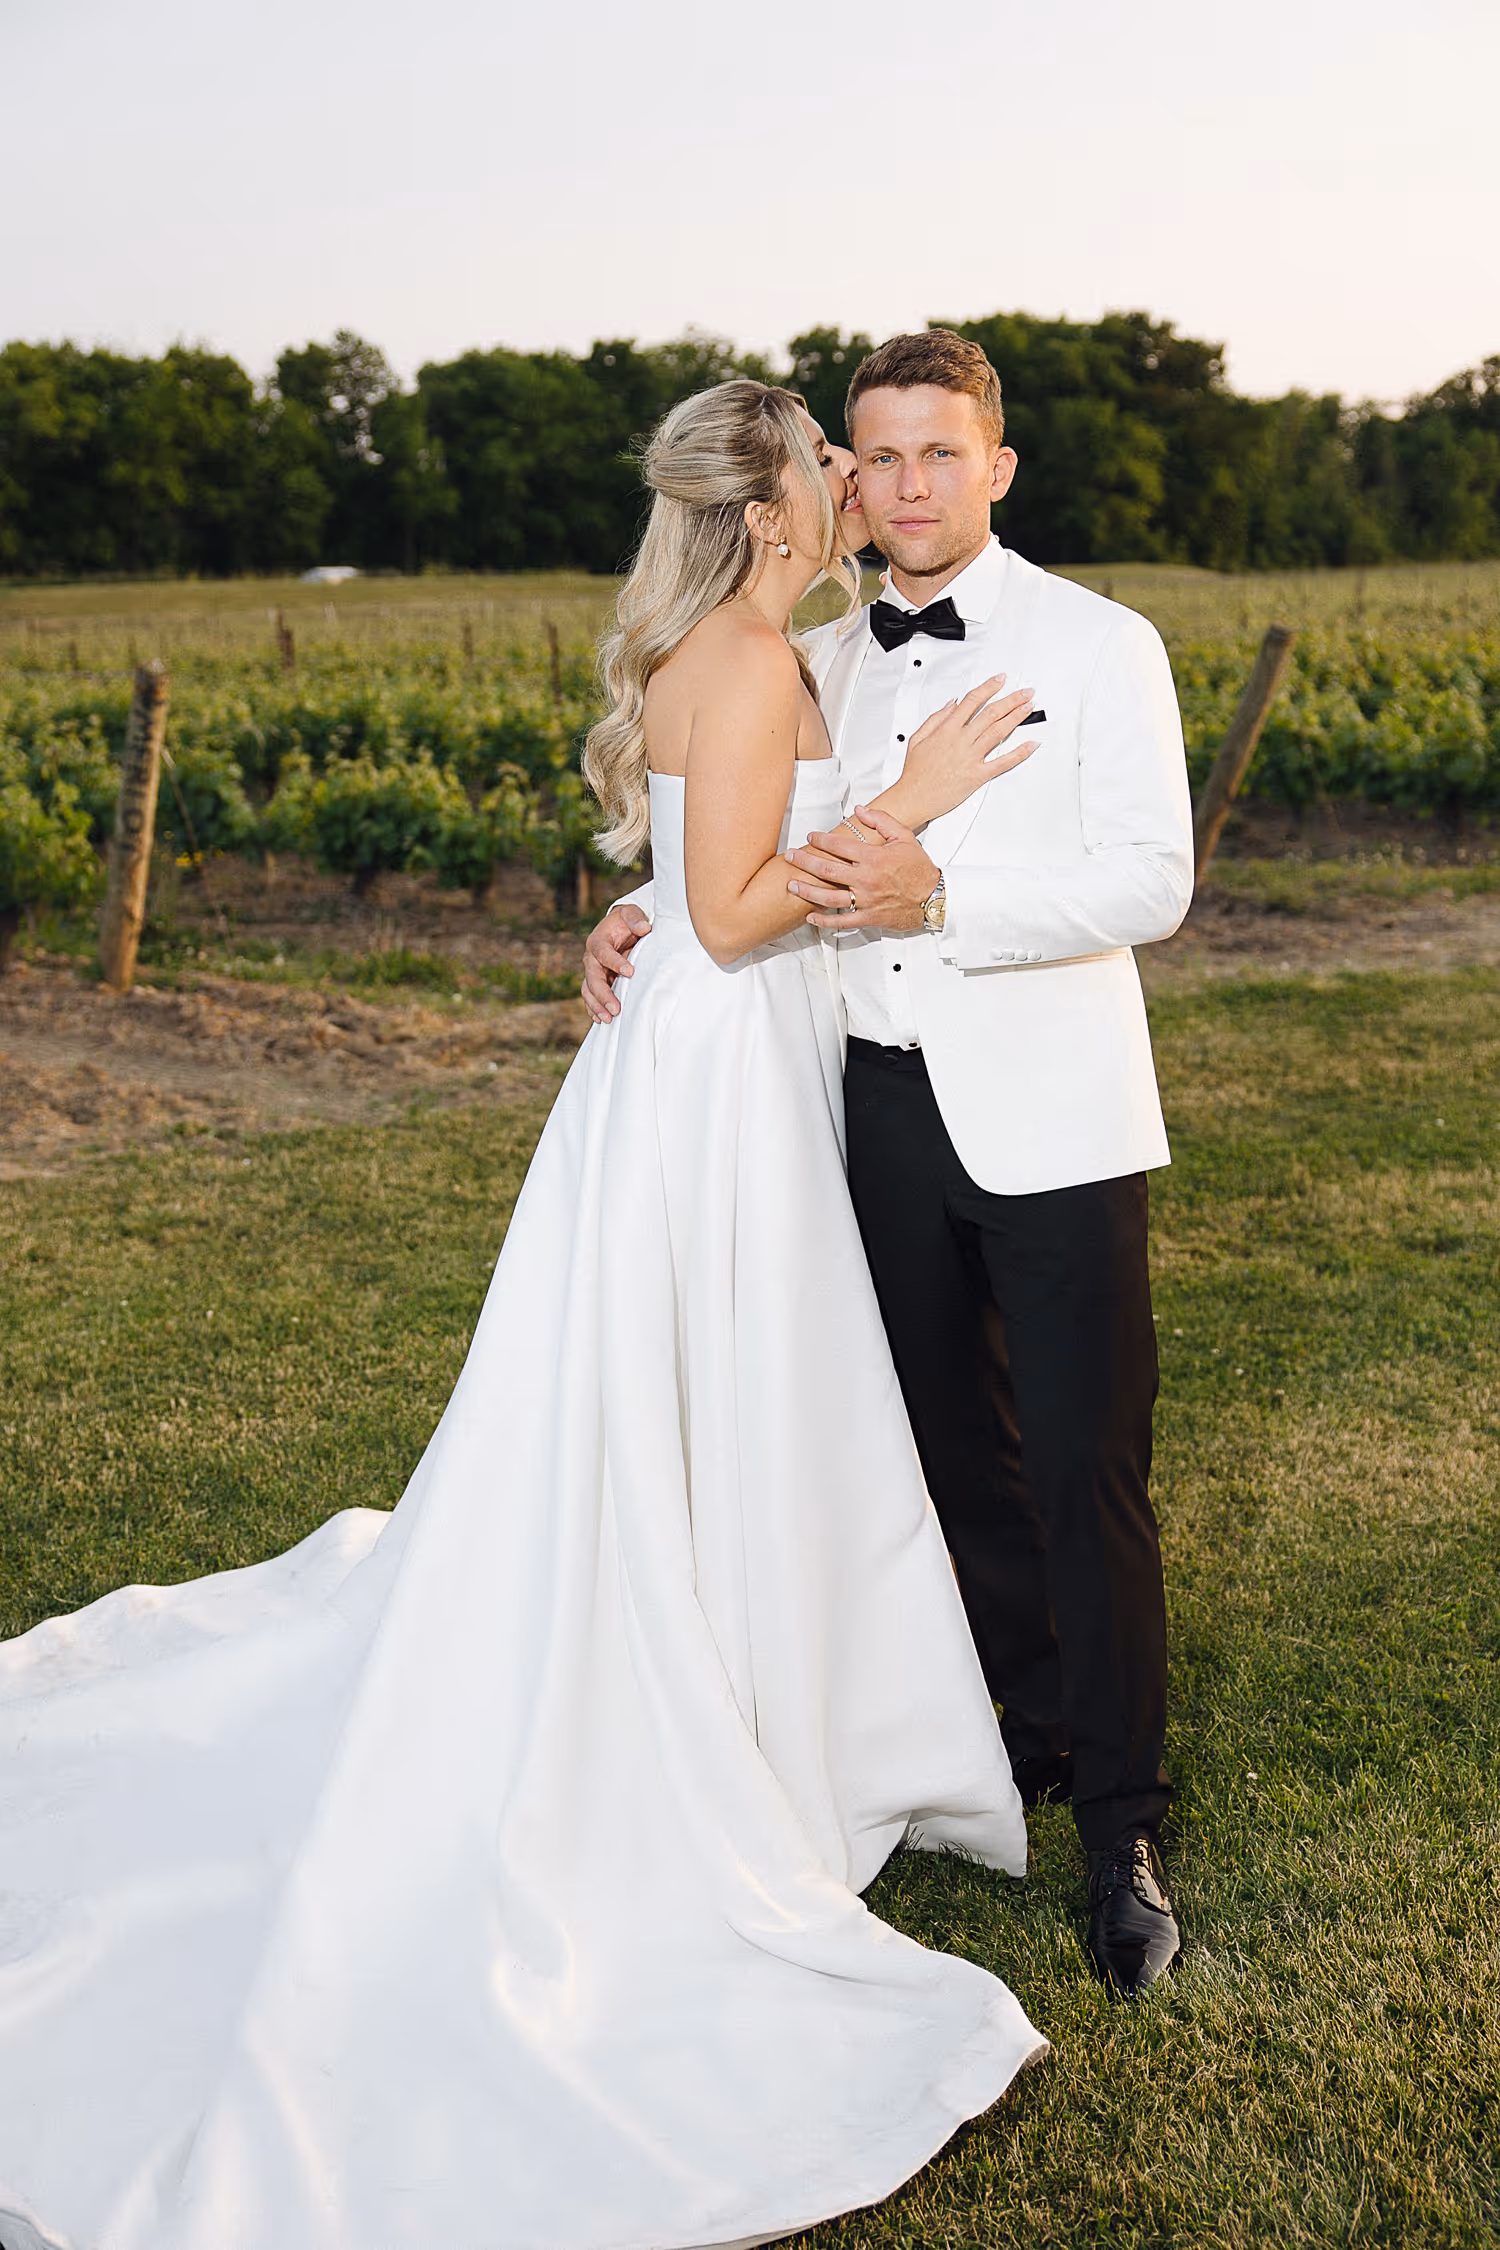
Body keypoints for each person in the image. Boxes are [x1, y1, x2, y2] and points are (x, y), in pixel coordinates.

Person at [0, 379, 1049, 2250]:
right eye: (827, 451)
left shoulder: (747, 642)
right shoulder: (740, 658)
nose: (845, 476)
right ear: (779, 498)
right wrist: (915, 800)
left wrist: (630, 909)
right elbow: (727, 918)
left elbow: (677, 890)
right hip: (719, 1073)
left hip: (720, 1062)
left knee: (717, 1398)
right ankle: (711, 1699)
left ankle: (763, 1663)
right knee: (706, 1392)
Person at [585, 330, 1196, 1998]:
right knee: (940, 1452)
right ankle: (1032, 1724)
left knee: (1085, 1469)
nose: (908, 485)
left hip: (1056, 1123)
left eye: (942, 452)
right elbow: (750, 849)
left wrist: (948, 904)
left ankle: (1123, 1830)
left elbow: (1154, 883)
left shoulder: (1104, 642)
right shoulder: (816, 655)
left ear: (998, 463)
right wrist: (633, 914)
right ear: (842, 475)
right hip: (859, 1109)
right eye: (880, 455)